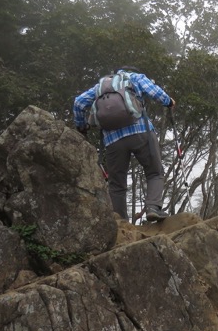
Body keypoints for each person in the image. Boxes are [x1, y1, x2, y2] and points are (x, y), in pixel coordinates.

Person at [73, 66, 175, 222]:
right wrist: (169, 102)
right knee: (154, 172)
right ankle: (153, 208)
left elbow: (79, 103)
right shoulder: (135, 77)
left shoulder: (100, 87)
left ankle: (120, 223)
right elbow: (156, 93)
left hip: (113, 141)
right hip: (141, 132)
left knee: (117, 185)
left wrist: (81, 126)